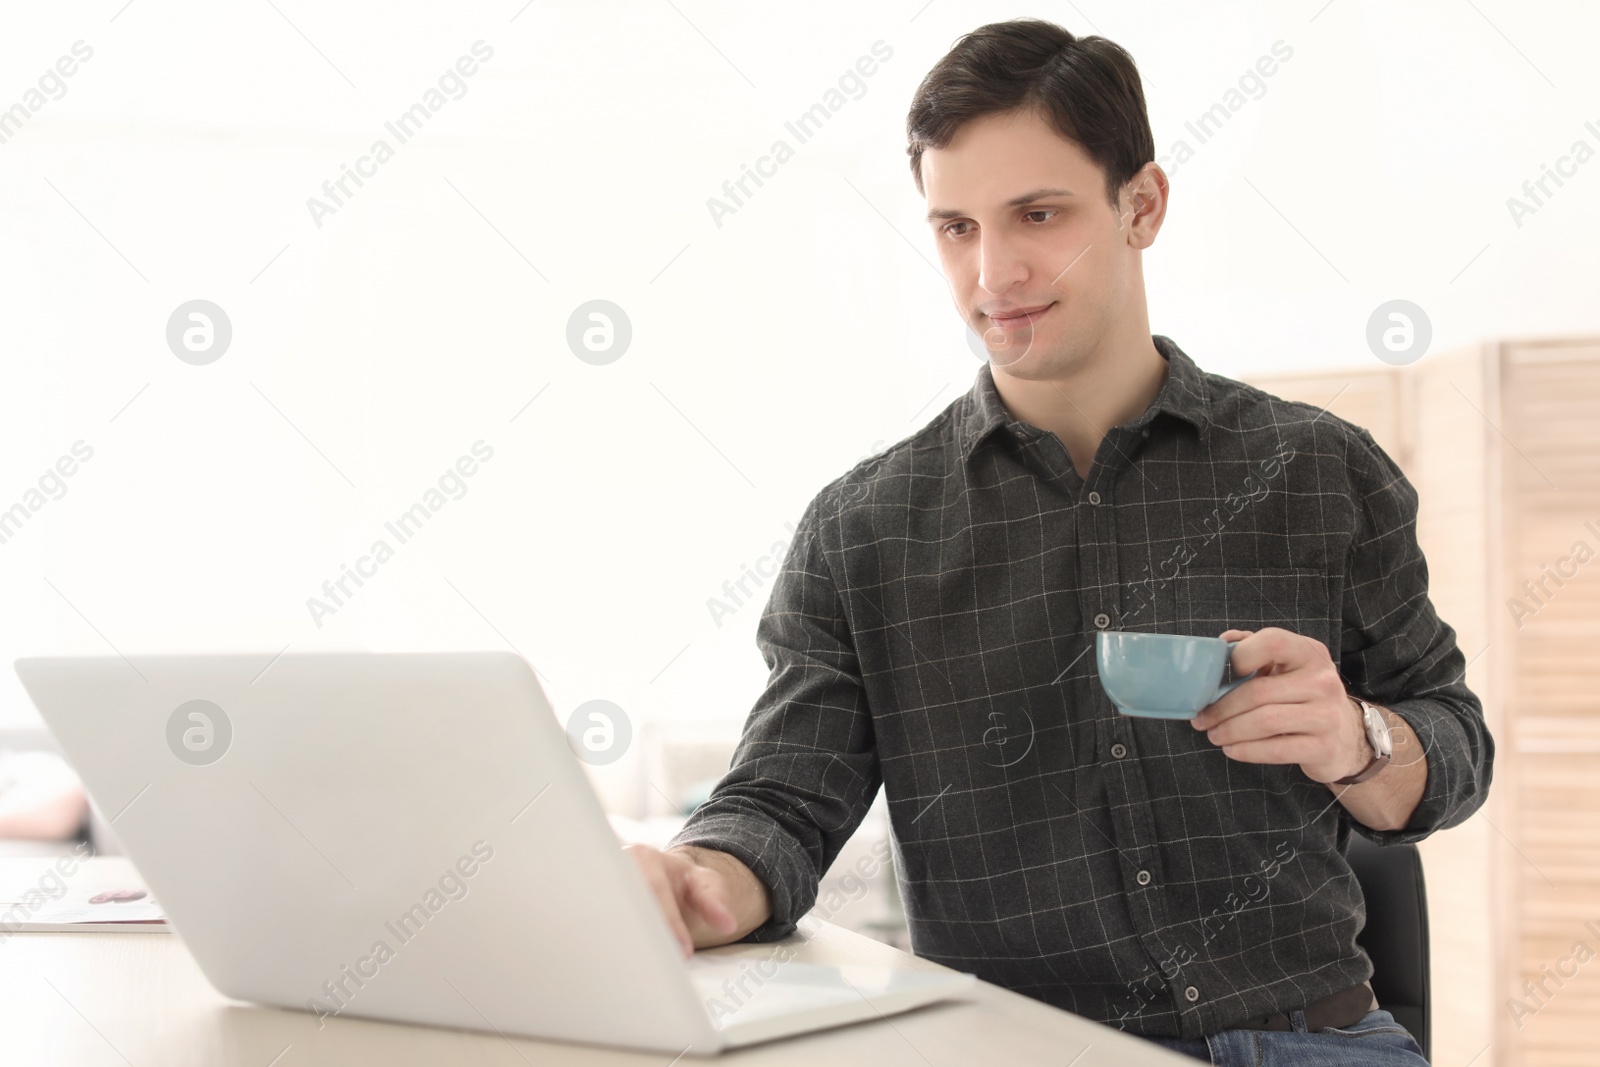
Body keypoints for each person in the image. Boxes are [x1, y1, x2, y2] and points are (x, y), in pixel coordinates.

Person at [626, 19, 1490, 1065]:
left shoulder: (1319, 471)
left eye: (1037, 214)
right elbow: (782, 799)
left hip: (1310, 1039)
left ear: (1142, 205)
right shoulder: (860, 532)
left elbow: (1454, 741)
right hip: (1014, 1048)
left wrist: (1359, 736)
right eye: (955, 227)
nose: (994, 271)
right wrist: (703, 878)